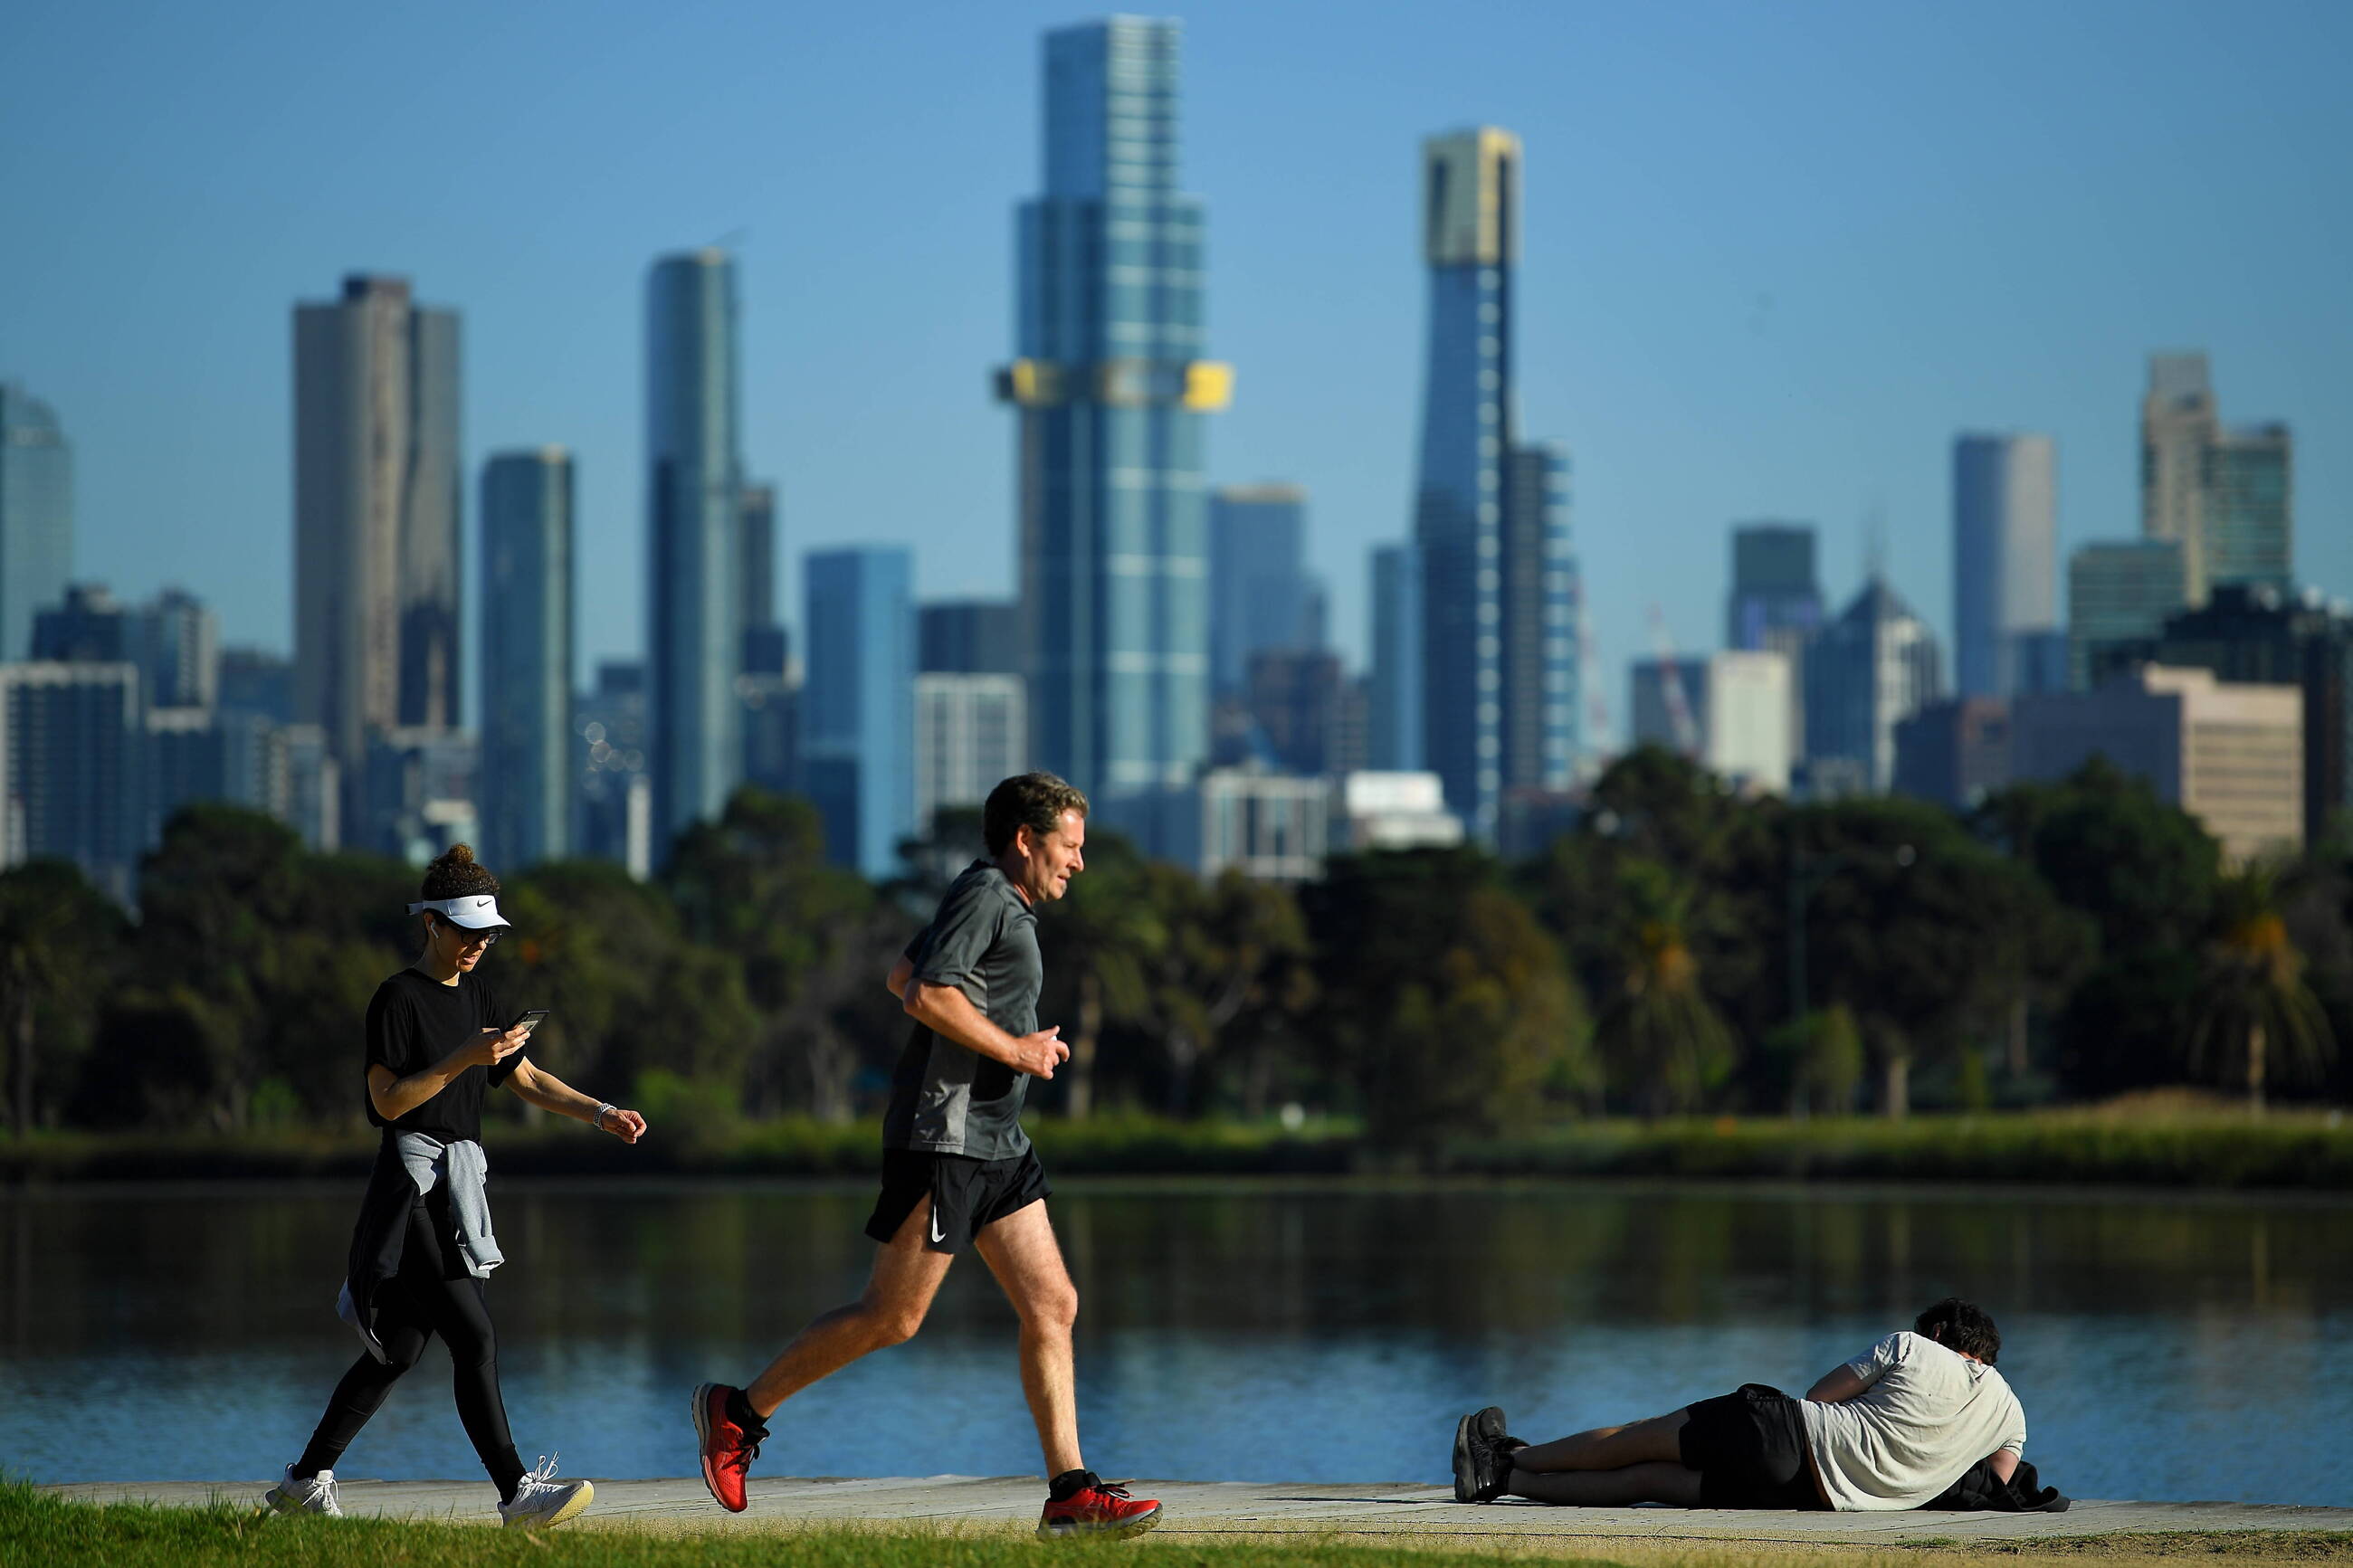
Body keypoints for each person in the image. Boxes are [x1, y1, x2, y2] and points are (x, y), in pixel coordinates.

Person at [691, 773, 1161, 1539]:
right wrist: (1017, 1047)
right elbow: (926, 996)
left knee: (1054, 1303)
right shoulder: (987, 895)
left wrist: (1009, 1053)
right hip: (945, 1138)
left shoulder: (996, 900)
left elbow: (901, 972)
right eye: (1069, 846)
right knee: (893, 1315)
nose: (1078, 862)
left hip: (996, 1139)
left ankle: (1070, 1492)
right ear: (1024, 839)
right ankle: (737, 1413)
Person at [262, 845, 647, 1528]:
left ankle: (304, 1478)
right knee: (474, 1335)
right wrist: (462, 1056)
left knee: (399, 1348)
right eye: (466, 931)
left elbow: (524, 1078)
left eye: (487, 933)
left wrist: (599, 1111)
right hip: (409, 1185)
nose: (477, 944)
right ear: (431, 924)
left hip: (456, 1185)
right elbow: (387, 1102)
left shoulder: (480, 996)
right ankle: (517, 1493)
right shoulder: (398, 997)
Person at [1452, 1297, 2025, 1512]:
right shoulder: (2011, 1412)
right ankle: (1504, 1478)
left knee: (1640, 1438)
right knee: (1647, 1482)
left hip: (1791, 1436)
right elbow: (1992, 1485)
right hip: (1812, 1497)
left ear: (1942, 1333)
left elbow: (1820, 1397)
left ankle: (1505, 1456)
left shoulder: (1913, 1348)